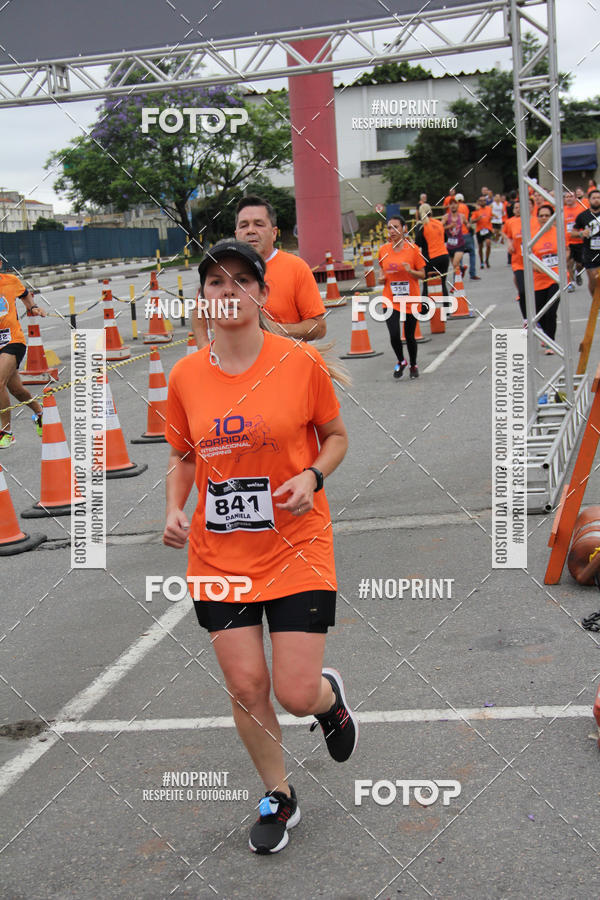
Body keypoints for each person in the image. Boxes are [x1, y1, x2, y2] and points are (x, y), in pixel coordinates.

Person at [164, 239, 356, 856]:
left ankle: (327, 701)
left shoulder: (299, 363)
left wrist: (313, 476)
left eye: (243, 281)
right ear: (205, 299)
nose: (230, 292)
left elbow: (335, 436)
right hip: (219, 557)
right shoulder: (185, 375)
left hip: (297, 545)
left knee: (293, 693)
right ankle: (279, 794)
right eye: (217, 283)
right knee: (247, 686)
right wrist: (174, 508)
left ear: (262, 295)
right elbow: (183, 455)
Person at [192, 195, 326, 349]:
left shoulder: (296, 267)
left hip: (285, 364)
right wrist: (205, 349)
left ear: (274, 233)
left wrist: (274, 330)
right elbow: (199, 313)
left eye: (258, 224)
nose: (250, 231)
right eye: (244, 225)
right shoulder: (220, 268)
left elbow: (319, 327)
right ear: (236, 233)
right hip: (235, 367)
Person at [0, 260, 45, 449]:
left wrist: (33, 307)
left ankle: (6, 432)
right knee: (16, 390)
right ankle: (40, 413)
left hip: (13, 341)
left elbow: (26, 297)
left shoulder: (10, 281)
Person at [378, 216, 425, 379]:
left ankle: (413, 364)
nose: (392, 231)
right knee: (393, 334)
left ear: (404, 229)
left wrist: (410, 271)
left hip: (410, 299)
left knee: (410, 335)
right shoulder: (383, 250)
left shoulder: (414, 249)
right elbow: (382, 270)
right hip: (390, 298)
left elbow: (422, 275)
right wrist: (381, 278)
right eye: (389, 228)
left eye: (396, 227)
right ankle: (401, 360)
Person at [531, 203, 564, 353]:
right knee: (540, 312)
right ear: (537, 218)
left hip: (556, 279)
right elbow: (528, 257)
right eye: (541, 216)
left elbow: (567, 251)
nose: (544, 218)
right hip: (538, 279)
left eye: (547, 215)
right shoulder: (533, 235)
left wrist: (563, 266)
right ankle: (545, 335)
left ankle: (550, 343)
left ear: (552, 217)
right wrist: (540, 268)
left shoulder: (559, 233)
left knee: (551, 311)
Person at [416, 203, 449, 300]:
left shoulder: (421, 226)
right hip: (444, 256)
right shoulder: (439, 223)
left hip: (430, 257)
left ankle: (424, 309)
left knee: (427, 283)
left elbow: (418, 243)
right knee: (443, 283)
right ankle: (446, 307)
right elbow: (445, 238)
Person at [572, 187, 600, 300]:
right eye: (594, 198)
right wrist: (581, 233)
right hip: (590, 253)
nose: (596, 200)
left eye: (598, 198)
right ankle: (595, 301)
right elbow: (572, 232)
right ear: (589, 200)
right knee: (593, 279)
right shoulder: (583, 216)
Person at [503, 198, 527, 324]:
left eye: (519, 207)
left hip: (533, 262)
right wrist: (509, 243)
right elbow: (507, 235)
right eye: (515, 208)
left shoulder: (531, 220)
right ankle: (526, 319)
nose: (517, 209)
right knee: (522, 291)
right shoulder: (510, 222)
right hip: (518, 261)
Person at [456, 193, 479, 280]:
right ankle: (472, 273)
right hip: (467, 233)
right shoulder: (466, 206)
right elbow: (477, 208)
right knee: (472, 253)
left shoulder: (454, 208)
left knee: (459, 254)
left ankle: (460, 272)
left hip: (458, 234)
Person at [441, 198, 466, 278]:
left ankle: (461, 270)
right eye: (451, 204)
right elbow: (440, 227)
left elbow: (468, 224)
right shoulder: (446, 217)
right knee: (456, 267)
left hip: (460, 244)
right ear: (449, 206)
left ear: (457, 205)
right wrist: (449, 226)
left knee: (455, 264)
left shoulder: (461, 216)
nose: (453, 206)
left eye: (455, 204)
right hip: (450, 245)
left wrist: (469, 227)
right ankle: (458, 282)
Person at [564, 191, 583, 289]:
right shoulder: (561, 211)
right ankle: (571, 283)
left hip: (580, 241)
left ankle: (578, 272)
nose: (568, 198)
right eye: (566, 197)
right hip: (568, 241)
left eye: (571, 196)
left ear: (575, 198)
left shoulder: (581, 209)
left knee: (580, 264)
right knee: (568, 263)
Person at [471, 197, 493, 268]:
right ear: (479, 202)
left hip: (487, 229)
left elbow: (491, 216)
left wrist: (491, 218)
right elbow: (472, 221)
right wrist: (478, 219)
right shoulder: (476, 210)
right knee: (480, 246)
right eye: (481, 201)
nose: (483, 202)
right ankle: (481, 261)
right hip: (479, 230)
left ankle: (487, 259)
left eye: (484, 200)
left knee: (488, 243)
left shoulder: (489, 208)